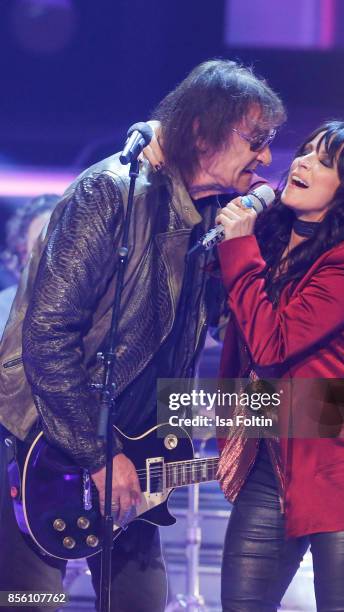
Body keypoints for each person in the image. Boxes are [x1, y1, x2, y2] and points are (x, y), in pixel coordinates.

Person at [0, 59, 285, 612]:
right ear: (201, 132)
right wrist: (97, 455)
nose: (268, 157)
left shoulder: (211, 215)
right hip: (45, 444)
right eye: (256, 139)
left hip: (132, 454)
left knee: (143, 602)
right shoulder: (110, 192)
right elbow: (49, 335)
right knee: (27, 601)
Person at [215, 120, 344, 611]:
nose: (300, 162)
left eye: (324, 161)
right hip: (271, 459)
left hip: (341, 466)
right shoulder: (271, 240)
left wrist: (238, 246)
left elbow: (274, 346)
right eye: (304, 151)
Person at [0, 194, 59, 338]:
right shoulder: (4, 308)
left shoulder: (90, 308)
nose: (49, 251)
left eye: (57, 240)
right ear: (22, 251)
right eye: (40, 242)